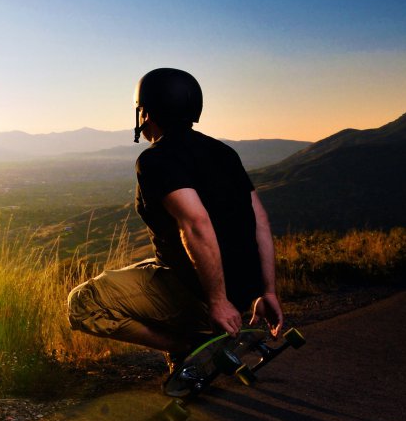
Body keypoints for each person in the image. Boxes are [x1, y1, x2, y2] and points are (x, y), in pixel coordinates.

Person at [65, 67, 285, 392]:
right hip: (234, 295)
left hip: (204, 300)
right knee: (145, 268)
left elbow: (195, 224)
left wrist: (217, 301)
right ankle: (190, 347)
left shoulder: (156, 160)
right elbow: (261, 222)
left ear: (146, 112)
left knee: (82, 302)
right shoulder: (224, 153)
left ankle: (187, 346)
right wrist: (267, 292)